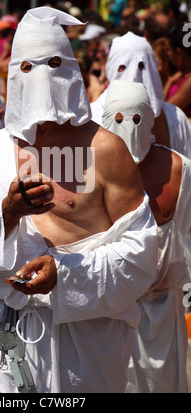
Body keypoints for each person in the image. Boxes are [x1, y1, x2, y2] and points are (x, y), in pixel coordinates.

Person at [0, 6, 158, 393]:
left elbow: (141, 253)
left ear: (71, 70)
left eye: (54, 64)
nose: (42, 77)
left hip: (82, 341)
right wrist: (7, 212)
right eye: (28, 66)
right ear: (12, 73)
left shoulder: (106, 149)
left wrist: (65, 274)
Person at [102, 79, 191, 393]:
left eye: (137, 118)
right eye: (119, 118)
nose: (129, 127)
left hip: (164, 312)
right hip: (110, 311)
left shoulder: (180, 170)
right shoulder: (91, 170)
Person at [91, 31, 191, 159]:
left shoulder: (176, 118)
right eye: (123, 67)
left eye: (141, 66)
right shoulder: (93, 116)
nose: (133, 75)